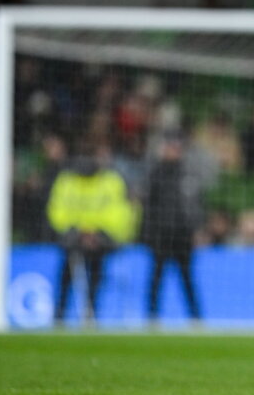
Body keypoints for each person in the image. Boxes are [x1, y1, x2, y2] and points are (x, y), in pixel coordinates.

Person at [47, 145, 136, 325]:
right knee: (68, 269)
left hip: (101, 238)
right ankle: (60, 314)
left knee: (96, 267)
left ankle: (90, 310)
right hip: (74, 236)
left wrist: (98, 233)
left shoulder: (112, 181)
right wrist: (79, 232)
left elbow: (120, 213)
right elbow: (56, 211)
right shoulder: (67, 181)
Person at [142, 131, 202, 324]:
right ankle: (152, 317)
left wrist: (196, 230)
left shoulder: (188, 173)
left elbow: (197, 204)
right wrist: (148, 234)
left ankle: (195, 317)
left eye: (176, 147)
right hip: (161, 235)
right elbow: (148, 207)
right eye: (170, 147)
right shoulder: (155, 174)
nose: (173, 151)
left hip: (182, 235)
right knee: (156, 277)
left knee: (187, 278)